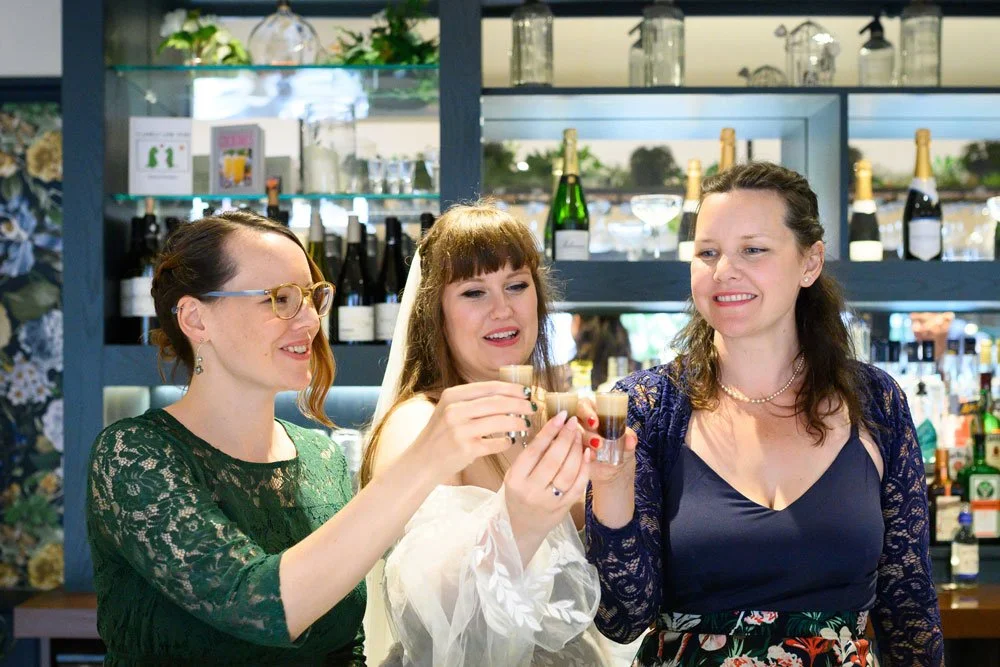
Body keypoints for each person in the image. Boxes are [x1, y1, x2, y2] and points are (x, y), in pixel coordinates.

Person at [86, 211, 534, 665]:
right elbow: (258, 605)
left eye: (311, 297)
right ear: (196, 319)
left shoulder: (321, 457)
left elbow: (345, 645)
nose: (309, 321)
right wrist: (426, 459)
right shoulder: (134, 455)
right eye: (280, 299)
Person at [583, 162, 944, 666]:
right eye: (707, 252)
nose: (723, 270)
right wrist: (612, 486)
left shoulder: (875, 400)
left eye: (753, 250)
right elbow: (622, 617)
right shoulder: (646, 407)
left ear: (810, 263)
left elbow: (909, 607)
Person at [361, 202, 609, 666]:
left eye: (517, 286)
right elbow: (428, 610)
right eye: (474, 293)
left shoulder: (551, 410)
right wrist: (518, 519)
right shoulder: (418, 424)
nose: (503, 309)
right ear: (435, 312)